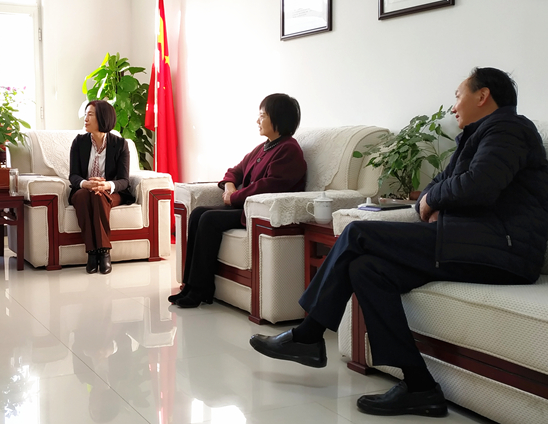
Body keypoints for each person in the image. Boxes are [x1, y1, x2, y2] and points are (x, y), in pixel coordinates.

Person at [249, 68, 548, 417]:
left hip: (504, 250)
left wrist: (433, 200)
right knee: (366, 269)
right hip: (471, 242)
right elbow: (440, 184)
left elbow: (479, 185)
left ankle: (308, 334)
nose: (454, 106)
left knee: (358, 233)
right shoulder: (476, 136)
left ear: (483, 96)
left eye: (458, 96)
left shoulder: (509, 128)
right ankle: (420, 387)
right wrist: (431, 200)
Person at [169, 93, 306, 308]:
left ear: (278, 118)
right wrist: (230, 186)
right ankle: (190, 286)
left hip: (259, 214)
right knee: (197, 213)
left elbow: (269, 186)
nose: (257, 120)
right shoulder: (263, 147)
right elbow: (235, 170)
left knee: (209, 219)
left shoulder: (289, 149)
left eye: (262, 116)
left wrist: (233, 197)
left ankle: (200, 290)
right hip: (245, 207)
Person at [69, 100, 135, 274]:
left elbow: (124, 180)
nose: (85, 119)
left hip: (111, 192)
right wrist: (85, 184)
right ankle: (94, 252)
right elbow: (73, 175)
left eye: (90, 115)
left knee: (98, 196)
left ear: (102, 118)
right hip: (84, 190)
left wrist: (106, 185)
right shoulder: (79, 142)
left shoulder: (120, 144)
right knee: (84, 195)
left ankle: (103, 252)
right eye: (85, 114)